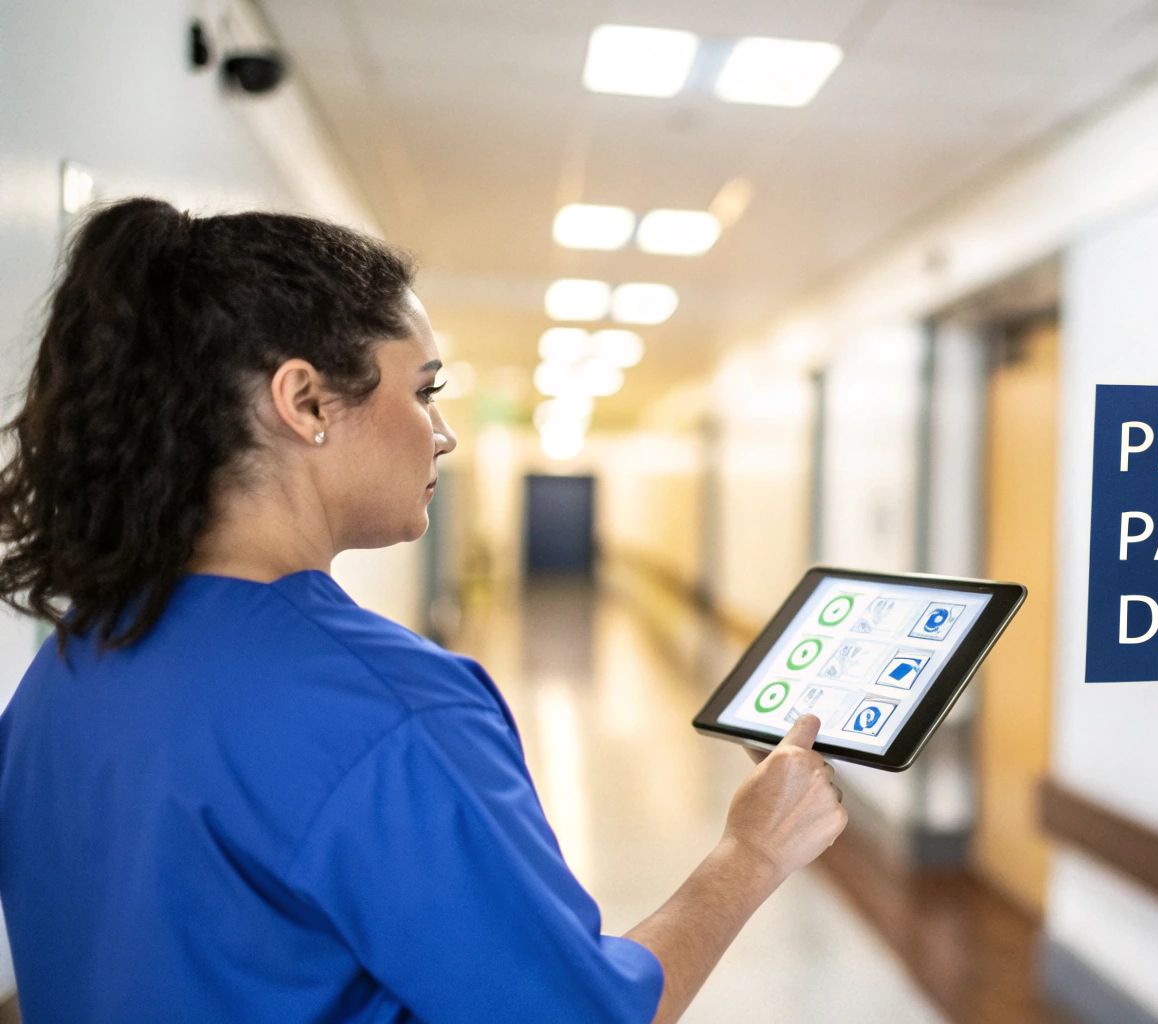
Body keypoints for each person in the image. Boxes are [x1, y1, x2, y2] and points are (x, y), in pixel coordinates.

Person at [0, 198, 847, 1023]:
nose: (443, 434)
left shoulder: (69, 666)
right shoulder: (391, 708)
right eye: (424, 390)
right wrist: (751, 853)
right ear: (306, 402)